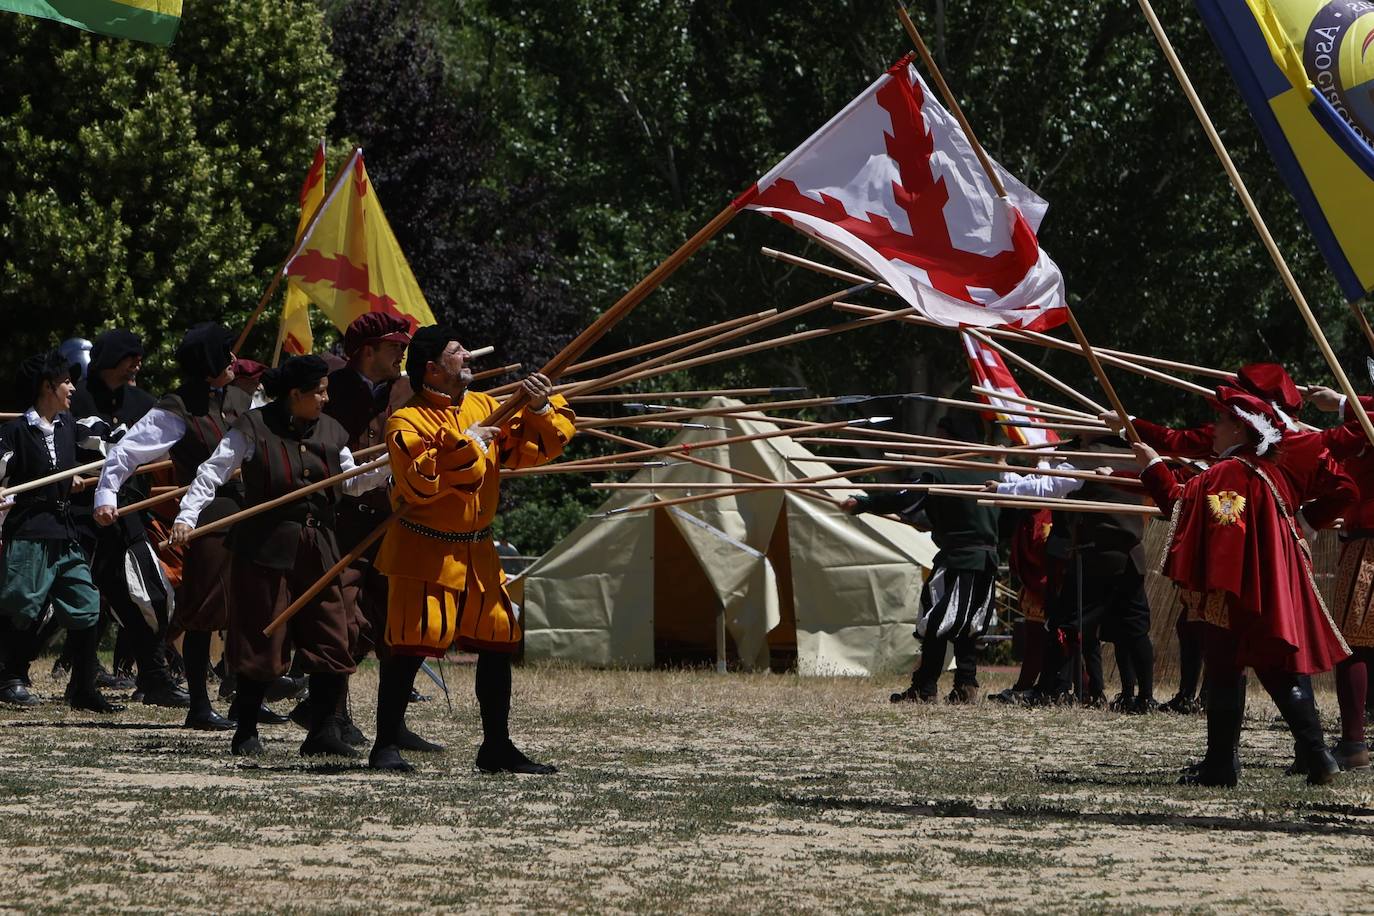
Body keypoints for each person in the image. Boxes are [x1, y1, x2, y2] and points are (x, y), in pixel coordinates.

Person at [368, 326, 575, 773]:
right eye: (456, 352)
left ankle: (496, 746)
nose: (467, 356)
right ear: (432, 369)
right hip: (424, 548)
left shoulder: (486, 405)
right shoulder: (406, 420)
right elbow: (420, 484)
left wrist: (539, 406)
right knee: (411, 645)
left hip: (478, 550)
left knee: (498, 641)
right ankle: (385, 744)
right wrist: (470, 443)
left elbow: (534, 450)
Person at [169, 354, 387, 757]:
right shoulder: (252, 427)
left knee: (330, 637)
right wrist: (186, 516)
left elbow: (352, 483)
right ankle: (246, 729)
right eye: (319, 392)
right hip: (265, 549)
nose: (326, 398)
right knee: (262, 639)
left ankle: (322, 732)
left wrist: (390, 465)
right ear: (295, 394)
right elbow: (212, 473)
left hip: (318, 548)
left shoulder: (332, 431)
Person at [1135, 384, 1352, 786]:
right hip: (1262, 584)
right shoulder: (1262, 471)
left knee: (1226, 665)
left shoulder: (1233, 472)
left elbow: (1186, 507)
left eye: (1220, 420)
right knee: (1269, 667)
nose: (1213, 428)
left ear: (1240, 429)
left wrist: (1153, 468)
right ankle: (1313, 756)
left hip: (1236, 587)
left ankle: (1226, 764)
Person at [96, 323, 251, 730]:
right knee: (203, 612)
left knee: (247, 609)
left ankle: (247, 699)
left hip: (247, 513)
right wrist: (106, 497)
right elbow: (124, 454)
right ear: (209, 362)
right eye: (226, 353)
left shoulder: (238, 398)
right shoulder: (177, 408)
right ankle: (199, 705)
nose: (234, 360)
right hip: (205, 519)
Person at [301, 312, 431, 751]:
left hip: (393, 520)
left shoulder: (407, 390)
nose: (402, 353)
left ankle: (391, 725)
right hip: (339, 521)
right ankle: (327, 722)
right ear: (367, 351)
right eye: (394, 346)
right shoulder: (329, 393)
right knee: (340, 623)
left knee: (399, 622)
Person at [844, 412, 999, 705]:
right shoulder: (993, 473)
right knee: (967, 625)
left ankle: (925, 688)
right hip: (986, 561)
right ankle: (965, 686)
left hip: (959, 560)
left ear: (955, 438)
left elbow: (904, 496)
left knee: (936, 622)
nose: (936, 444)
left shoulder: (941, 473)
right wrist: (937, 522)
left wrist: (864, 503)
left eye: (941, 437)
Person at [988, 443, 1155, 711]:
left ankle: (1049, 689)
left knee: (1066, 622)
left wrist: (1002, 489)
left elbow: (1045, 489)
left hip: (1098, 558)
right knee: (1132, 630)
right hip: (1132, 557)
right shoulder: (1134, 456)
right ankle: (1141, 696)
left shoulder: (1088, 457)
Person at [71, 329, 188, 708]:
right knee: (81, 602)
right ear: (110, 358)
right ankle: (70, 683)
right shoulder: (75, 397)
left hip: (128, 513)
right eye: (130, 357)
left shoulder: (144, 402)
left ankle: (153, 678)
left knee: (149, 595)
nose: (137, 364)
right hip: (78, 515)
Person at [0, 351, 121, 712]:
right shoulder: (15, 432)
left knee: (87, 604)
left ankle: (82, 688)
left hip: (64, 531)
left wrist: (76, 481)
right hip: (30, 531)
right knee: (21, 605)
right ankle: (9, 678)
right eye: (66, 381)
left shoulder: (70, 426)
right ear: (47, 386)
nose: (71, 387)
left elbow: (96, 451)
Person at [1303, 382, 1374, 770]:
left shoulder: (1366, 420)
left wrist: (1344, 403)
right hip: (1363, 537)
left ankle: (1353, 742)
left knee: (1354, 643)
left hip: (1370, 544)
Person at [988, 508, 1053, 704]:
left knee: (1049, 643)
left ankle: (1029, 687)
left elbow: (1035, 549)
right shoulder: (1032, 516)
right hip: (1043, 585)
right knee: (1046, 642)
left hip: (1045, 586)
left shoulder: (1040, 516)